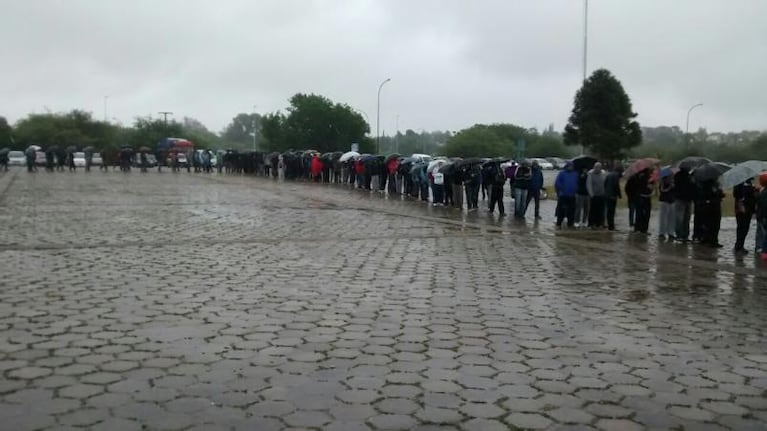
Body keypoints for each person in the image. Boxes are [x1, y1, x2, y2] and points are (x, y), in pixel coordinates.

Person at [698, 179, 725, 247]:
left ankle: (714, 240)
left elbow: (721, 195)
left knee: (716, 225)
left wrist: (720, 194)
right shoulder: (705, 186)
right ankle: (708, 239)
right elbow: (703, 196)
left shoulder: (717, 187)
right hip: (709, 207)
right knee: (709, 224)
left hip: (716, 206)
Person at [733, 179, 756, 254]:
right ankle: (738, 246)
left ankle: (740, 245)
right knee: (741, 228)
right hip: (741, 209)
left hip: (748, 209)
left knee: (745, 228)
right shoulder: (738, 183)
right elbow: (736, 194)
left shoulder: (749, 184)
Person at [673, 167, 695, 242]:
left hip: (688, 199)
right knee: (680, 218)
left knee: (686, 218)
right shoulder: (679, 176)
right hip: (680, 199)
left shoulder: (689, 176)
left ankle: (685, 235)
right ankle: (679, 234)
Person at [554, 161, 578, 228]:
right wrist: (562, 189)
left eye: (572, 166)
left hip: (572, 195)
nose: (571, 167)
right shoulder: (562, 173)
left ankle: (570, 224)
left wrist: (576, 189)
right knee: (561, 210)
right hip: (563, 195)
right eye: (569, 166)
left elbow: (577, 183)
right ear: (566, 166)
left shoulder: (575, 174)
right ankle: (559, 224)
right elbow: (557, 183)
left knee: (572, 210)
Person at [586, 162, 607, 228]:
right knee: (592, 210)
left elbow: (605, 183)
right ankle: (591, 223)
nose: (598, 169)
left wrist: (605, 192)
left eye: (599, 167)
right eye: (596, 167)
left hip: (602, 195)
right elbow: (589, 184)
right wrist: (591, 194)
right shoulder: (590, 174)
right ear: (594, 167)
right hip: (594, 195)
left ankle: (600, 223)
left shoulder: (603, 173)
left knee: (601, 210)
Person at [634, 169, 653, 234]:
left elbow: (651, 186)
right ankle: (639, 228)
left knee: (645, 214)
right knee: (640, 213)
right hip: (641, 196)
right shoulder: (639, 176)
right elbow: (637, 185)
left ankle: (643, 229)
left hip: (646, 196)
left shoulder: (650, 176)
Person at [604, 165, 623, 230]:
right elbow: (616, 185)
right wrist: (619, 195)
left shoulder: (609, 174)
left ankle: (610, 225)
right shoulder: (616, 175)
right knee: (612, 211)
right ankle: (611, 226)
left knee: (609, 211)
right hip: (612, 196)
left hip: (607, 195)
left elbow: (605, 184)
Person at [657, 173, 675, 240]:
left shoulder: (673, 182)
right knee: (663, 219)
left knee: (671, 219)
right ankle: (662, 233)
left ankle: (671, 233)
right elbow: (662, 191)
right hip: (664, 201)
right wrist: (670, 186)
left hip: (672, 201)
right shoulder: (663, 183)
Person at [757, 173, 767, 258]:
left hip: (762, 216)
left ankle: (763, 250)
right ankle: (764, 251)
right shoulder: (764, 192)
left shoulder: (762, 191)